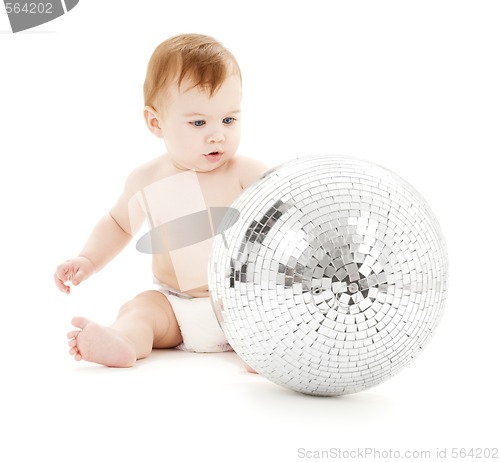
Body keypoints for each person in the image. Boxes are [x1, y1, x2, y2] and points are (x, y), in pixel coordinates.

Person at [54, 34, 267, 368]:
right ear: (156, 122)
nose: (217, 134)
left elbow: (287, 214)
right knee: (142, 309)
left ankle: (268, 351)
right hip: (176, 308)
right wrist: (88, 259)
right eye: (199, 122)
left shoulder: (246, 173)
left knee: (267, 314)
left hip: (240, 301)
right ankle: (123, 339)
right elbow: (118, 224)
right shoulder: (146, 180)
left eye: (229, 119)